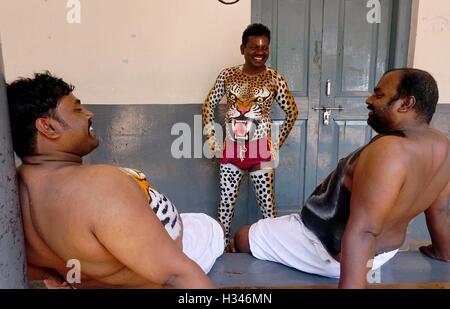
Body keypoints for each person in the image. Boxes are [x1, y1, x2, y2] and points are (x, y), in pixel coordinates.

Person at [234, 68, 450, 288]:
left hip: (331, 253)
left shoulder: (390, 151)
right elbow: (439, 210)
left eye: (379, 94)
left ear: (406, 103)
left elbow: (364, 232)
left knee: (242, 237)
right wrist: (443, 252)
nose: (369, 100)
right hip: (383, 254)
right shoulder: (442, 146)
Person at [7, 72, 224, 289]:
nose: (88, 114)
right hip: (180, 253)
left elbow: (45, 268)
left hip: (116, 262)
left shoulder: (12, 190)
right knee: (212, 228)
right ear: (48, 127)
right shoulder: (99, 188)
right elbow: (179, 274)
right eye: (77, 109)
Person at [202, 23, 299, 251]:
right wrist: (213, 141)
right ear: (242, 48)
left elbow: (292, 112)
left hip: (260, 152)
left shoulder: (275, 79)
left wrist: (276, 144)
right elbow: (209, 105)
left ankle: (272, 249)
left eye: (264, 48)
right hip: (231, 150)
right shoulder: (228, 75)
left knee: (267, 207)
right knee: (225, 207)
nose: (260, 52)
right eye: (254, 47)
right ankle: (222, 250)